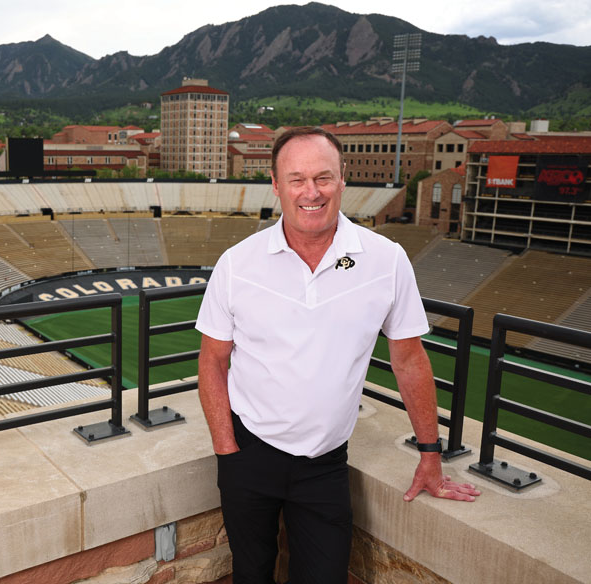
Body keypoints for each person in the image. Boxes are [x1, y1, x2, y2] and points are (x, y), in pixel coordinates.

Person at [196, 126, 479, 584]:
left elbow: (409, 360)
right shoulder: (237, 263)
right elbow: (212, 360)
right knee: (250, 574)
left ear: (343, 179)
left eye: (324, 177)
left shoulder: (385, 260)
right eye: (297, 178)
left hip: (325, 463)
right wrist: (226, 451)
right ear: (275, 183)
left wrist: (430, 454)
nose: (312, 192)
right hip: (249, 453)